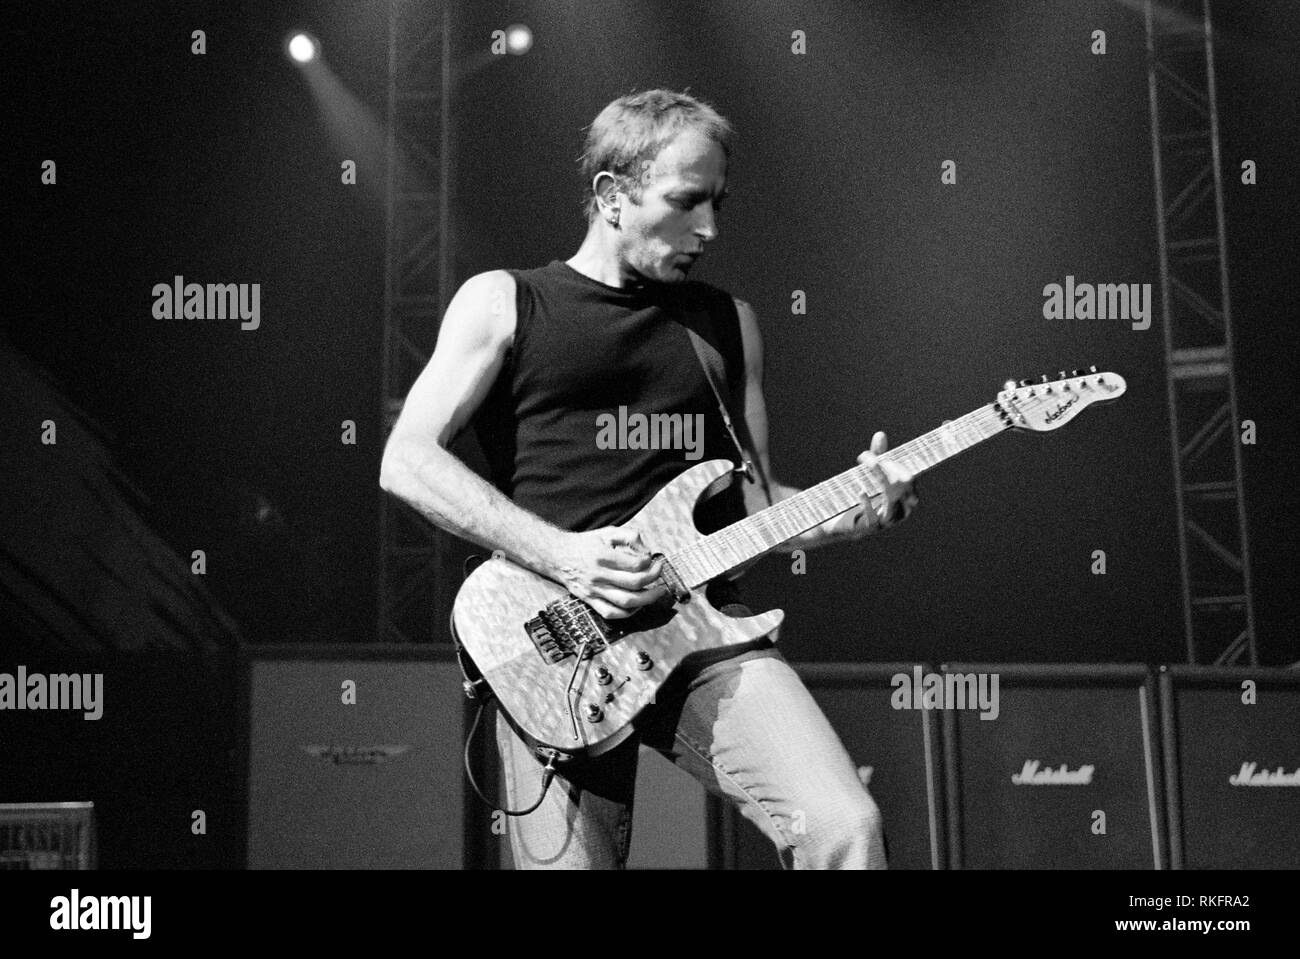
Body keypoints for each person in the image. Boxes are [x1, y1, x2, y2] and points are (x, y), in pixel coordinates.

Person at [379, 89, 917, 869]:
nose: (709, 229)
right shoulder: (505, 302)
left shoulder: (728, 324)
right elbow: (407, 459)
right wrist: (564, 556)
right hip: (555, 642)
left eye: (718, 203)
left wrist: (856, 509)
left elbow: (757, 501)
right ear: (611, 195)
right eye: (686, 201)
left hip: (706, 631)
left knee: (845, 825)